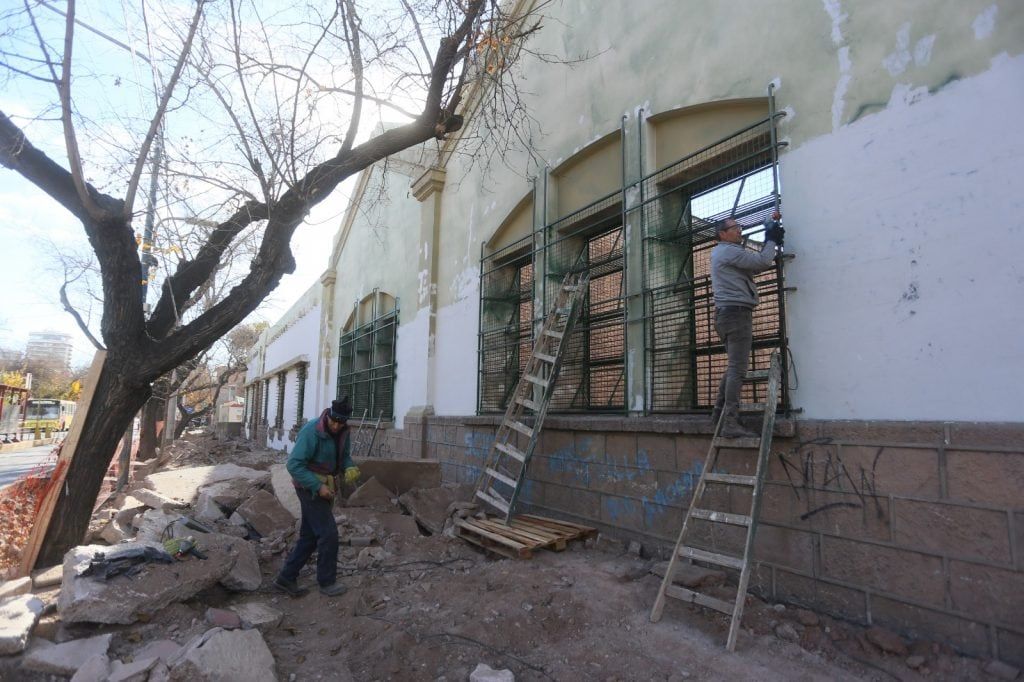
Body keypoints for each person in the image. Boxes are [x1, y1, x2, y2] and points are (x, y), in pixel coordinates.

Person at [273, 396, 361, 597]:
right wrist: (317, 486)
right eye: (334, 420)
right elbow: (293, 465)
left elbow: (344, 455)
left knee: (310, 536)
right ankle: (327, 582)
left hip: (326, 486)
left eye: (341, 422)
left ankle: (286, 578)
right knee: (328, 534)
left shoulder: (343, 431)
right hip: (308, 487)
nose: (337, 425)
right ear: (329, 414)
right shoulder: (312, 431)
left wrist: (349, 467)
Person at [709, 211, 785, 438]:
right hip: (736, 314)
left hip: (725, 315)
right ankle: (730, 422)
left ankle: (718, 414)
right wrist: (771, 238)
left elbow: (755, 261)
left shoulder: (722, 252)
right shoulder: (729, 251)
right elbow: (762, 262)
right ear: (722, 234)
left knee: (733, 366)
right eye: (735, 228)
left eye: (740, 227)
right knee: (738, 369)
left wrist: (769, 232)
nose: (739, 231)